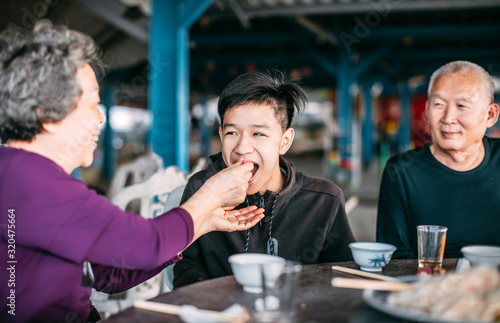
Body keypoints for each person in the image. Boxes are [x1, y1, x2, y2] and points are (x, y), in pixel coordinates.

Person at [0, 21, 265, 323]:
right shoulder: (27, 180)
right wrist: (210, 196)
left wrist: (202, 224)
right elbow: (148, 243)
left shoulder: (24, 174)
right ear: (47, 114)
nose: (101, 117)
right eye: (91, 104)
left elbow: (108, 275)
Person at [173, 70, 355, 289]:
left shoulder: (324, 200)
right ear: (221, 136)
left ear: (284, 141)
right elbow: (186, 262)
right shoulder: (201, 188)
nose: (241, 148)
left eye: (258, 134)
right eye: (232, 133)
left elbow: (344, 273)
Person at [376, 60, 500, 259]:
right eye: (439, 104)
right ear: (427, 111)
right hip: (428, 285)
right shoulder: (401, 172)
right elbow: (395, 260)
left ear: (490, 115)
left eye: (461, 105)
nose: (448, 118)